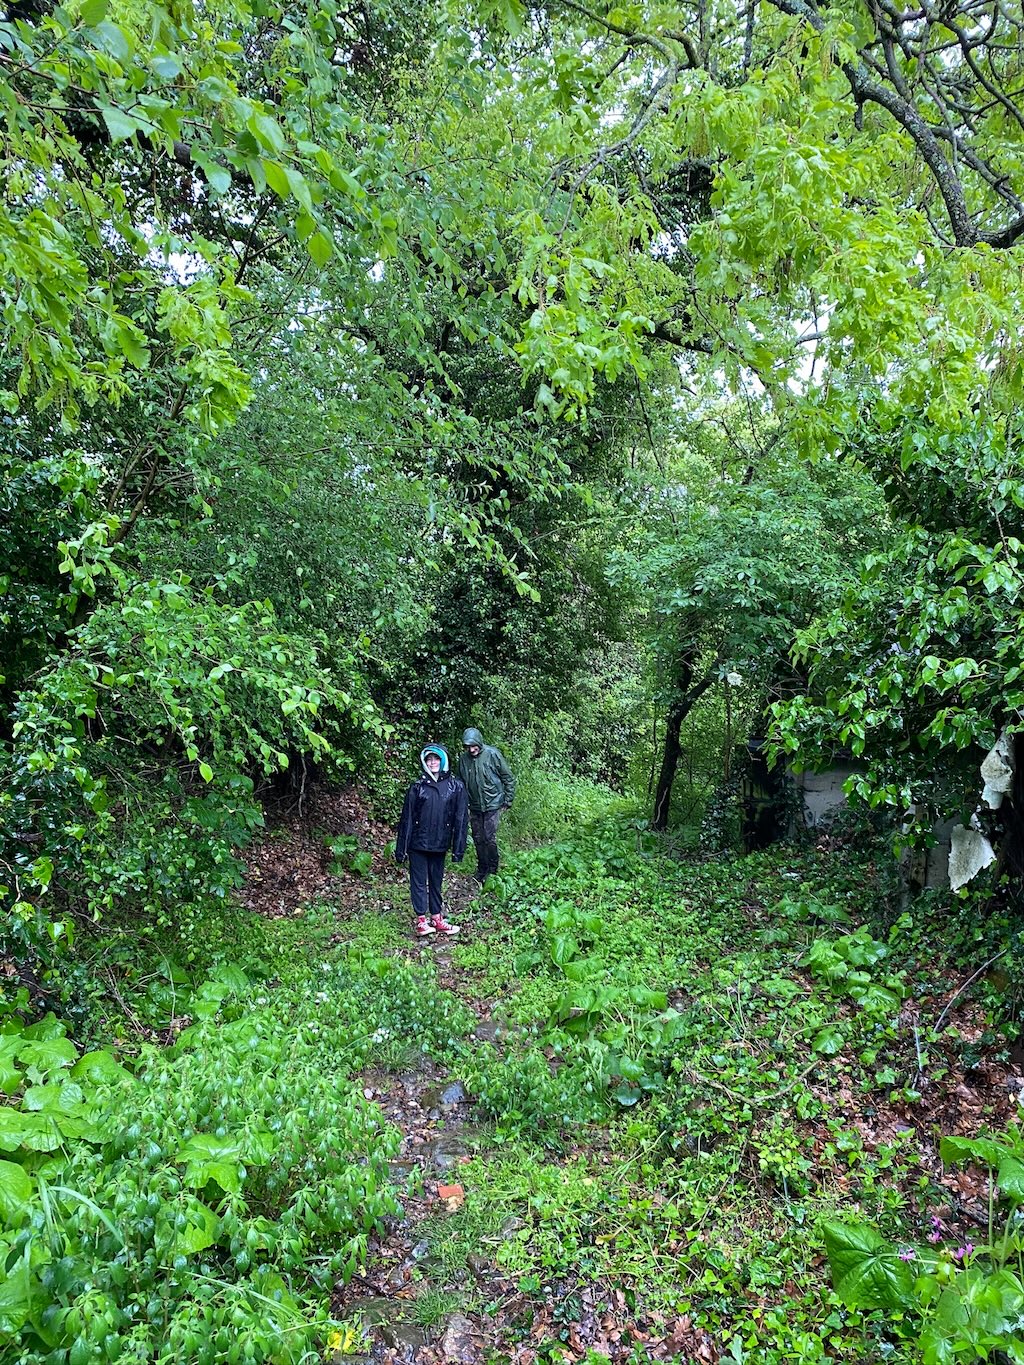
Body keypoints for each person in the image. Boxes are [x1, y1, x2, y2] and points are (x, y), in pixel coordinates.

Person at [395, 743, 467, 937]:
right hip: (418, 844)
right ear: (424, 762)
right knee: (418, 881)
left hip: (440, 843)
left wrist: (458, 848)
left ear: (442, 760)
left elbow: (460, 819)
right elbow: (407, 818)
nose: (433, 762)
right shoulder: (417, 787)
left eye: (436, 759)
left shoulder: (455, 786)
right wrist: (401, 849)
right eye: (429, 759)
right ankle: (421, 921)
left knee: (436, 881)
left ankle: (437, 918)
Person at [458, 727, 516, 883]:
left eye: (473, 745)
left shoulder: (492, 754)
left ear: (479, 742)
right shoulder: (463, 760)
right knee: (478, 838)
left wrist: (508, 800)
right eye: (468, 746)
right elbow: (461, 784)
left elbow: (508, 777)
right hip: (475, 805)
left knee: (489, 837)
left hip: (493, 803)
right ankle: (482, 868)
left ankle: (493, 869)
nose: (471, 749)